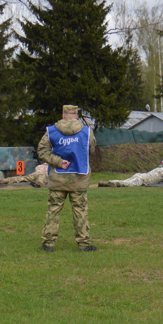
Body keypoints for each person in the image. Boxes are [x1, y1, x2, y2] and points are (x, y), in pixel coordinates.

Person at [37, 105, 97, 252]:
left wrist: (58, 162)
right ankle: (84, 244)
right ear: (77, 116)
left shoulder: (51, 131)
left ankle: (48, 244)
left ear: (63, 115)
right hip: (79, 179)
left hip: (58, 178)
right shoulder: (87, 131)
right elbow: (92, 149)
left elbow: (42, 151)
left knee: (54, 210)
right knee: (80, 210)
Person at [98, 160, 163, 187]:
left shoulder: (158, 168)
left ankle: (107, 182)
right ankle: (112, 183)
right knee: (127, 184)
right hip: (143, 180)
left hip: (140, 175)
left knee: (126, 180)